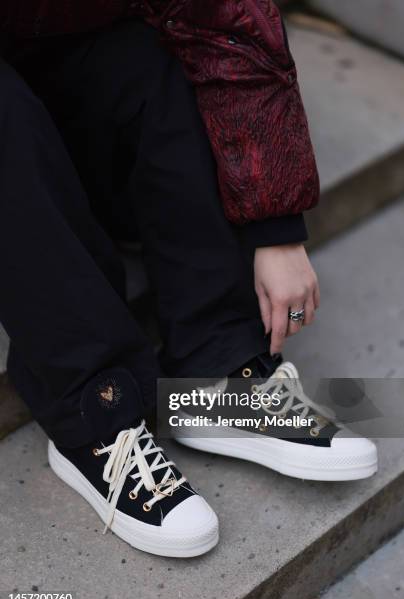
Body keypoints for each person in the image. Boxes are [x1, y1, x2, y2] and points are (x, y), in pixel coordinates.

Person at [0, 1, 377, 558]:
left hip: (64, 106)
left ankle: (215, 366)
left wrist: (274, 226)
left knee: (149, 56)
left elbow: (229, 20)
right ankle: (93, 412)